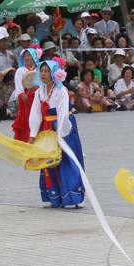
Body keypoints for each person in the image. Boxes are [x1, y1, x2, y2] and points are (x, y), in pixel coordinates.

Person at [28, 60, 85, 209]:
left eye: (47, 71)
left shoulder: (61, 91)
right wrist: (33, 134)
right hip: (47, 129)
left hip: (63, 127)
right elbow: (35, 113)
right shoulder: (39, 91)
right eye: (42, 71)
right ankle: (54, 196)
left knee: (66, 161)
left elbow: (63, 113)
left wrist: (60, 135)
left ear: (54, 73)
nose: (43, 74)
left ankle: (74, 196)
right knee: (49, 163)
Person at [12, 48, 40, 141]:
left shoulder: (39, 69)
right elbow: (18, 85)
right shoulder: (20, 70)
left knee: (39, 119)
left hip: (38, 97)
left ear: (34, 57)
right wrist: (21, 94)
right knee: (27, 120)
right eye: (25, 56)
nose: (27, 58)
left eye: (29, 55)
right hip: (26, 98)